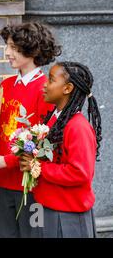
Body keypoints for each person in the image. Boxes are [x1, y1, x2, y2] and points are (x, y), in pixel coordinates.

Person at [0, 22, 62, 238]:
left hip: (32, 185)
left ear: (32, 50)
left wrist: (5, 161)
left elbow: (45, 141)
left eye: (13, 48)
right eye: (7, 46)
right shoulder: (6, 85)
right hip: (5, 182)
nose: (7, 53)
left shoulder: (46, 90)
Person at [20, 62, 101, 238]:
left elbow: (80, 173)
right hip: (42, 208)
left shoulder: (77, 127)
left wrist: (38, 168)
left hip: (66, 215)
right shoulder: (54, 120)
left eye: (50, 80)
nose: (45, 85)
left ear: (67, 88)